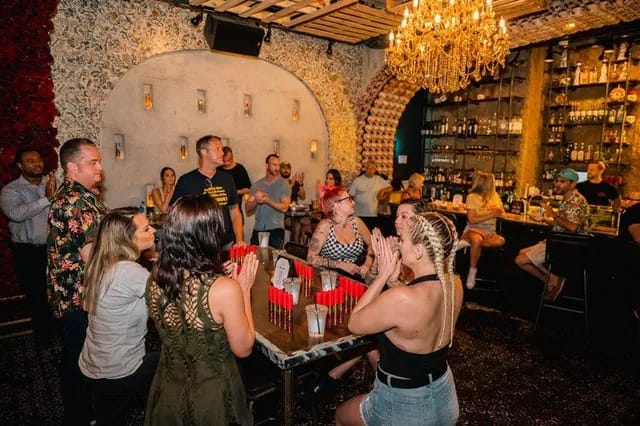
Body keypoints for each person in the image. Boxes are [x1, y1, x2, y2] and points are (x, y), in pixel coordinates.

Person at [335, 213, 463, 426]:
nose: (399, 244)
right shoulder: (454, 284)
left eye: (403, 240)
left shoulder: (402, 298)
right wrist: (394, 283)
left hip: (404, 403)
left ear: (419, 250)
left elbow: (354, 323)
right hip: (444, 394)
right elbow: (420, 309)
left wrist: (383, 275)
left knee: (341, 415)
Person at [145, 195, 257, 425]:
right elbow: (244, 348)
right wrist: (244, 289)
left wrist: (217, 275)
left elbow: (185, 301)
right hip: (212, 397)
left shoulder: (154, 279)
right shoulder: (225, 290)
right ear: (209, 235)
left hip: (168, 389)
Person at [79, 208, 158, 426]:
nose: (153, 230)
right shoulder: (130, 272)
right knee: (177, 359)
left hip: (94, 363)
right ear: (128, 239)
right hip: (120, 370)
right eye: (146, 228)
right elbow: (173, 299)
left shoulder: (99, 262)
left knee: (111, 417)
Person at [47, 138, 108, 426]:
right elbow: (91, 254)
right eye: (93, 162)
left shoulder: (83, 195)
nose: (100, 167)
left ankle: (83, 411)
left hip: (78, 291)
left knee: (81, 354)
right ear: (72, 167)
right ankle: (79, 416)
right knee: (78, 357)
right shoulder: (74, 201)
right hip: (77, 294)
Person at [300, 186, 377, 399]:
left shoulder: (356, 222)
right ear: (336, 205)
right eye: (348, 199)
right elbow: (310, 258)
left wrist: (367, 263)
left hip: (354, 285)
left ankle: (340, 376)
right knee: (360, 336)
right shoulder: (325, 226)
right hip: (329, 285)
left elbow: (373, 247)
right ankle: (378, 384)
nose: (353, 202)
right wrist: (340, 264)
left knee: (364, 332)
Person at [0, 147, 57, 346]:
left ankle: (60, 332)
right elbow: (15, 213)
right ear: (20, 165)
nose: (37, 163)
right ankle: (43, 340)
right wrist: (47, 199)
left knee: (57, 292)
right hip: (28, 252)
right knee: (36, 295)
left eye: (38, 159)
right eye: (30, 161)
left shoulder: (52, 183)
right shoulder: (11, 190)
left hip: (54, 249)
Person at [515, 168, 588, 302]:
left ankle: (553, 280)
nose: (557, 184)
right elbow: (561, 224)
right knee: (521, 253)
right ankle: (552, 281)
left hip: (567, 244)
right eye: (557, 181)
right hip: (557, 240)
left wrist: (552, 214)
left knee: (520, 260)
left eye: (562, 182)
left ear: (572, 184)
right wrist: (543, 219)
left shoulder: (576, 201)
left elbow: (572, 227)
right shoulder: (566, 199)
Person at [170, 135, 244, 247]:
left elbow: (235, 213)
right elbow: (174, 214)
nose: (222, 153)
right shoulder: (186, 181)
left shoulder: (227, 178)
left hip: (226, 244)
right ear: (204, 152)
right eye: (217, 149)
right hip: (197, 246)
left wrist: (239, 240)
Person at [460, 172, 506, 290]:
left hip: (490, 231)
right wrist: (491, 213)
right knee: (476, 239)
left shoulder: (495, 196)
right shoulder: (472, 197)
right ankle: (472, 271)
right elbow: (471, 219)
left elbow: (502, 213)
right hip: (473, 228)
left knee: (500, 240)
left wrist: (496, 212)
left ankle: (468, 244)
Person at [245, 154, 291, 249]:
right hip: (258, 229)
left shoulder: (284, 184)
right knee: (254, 256)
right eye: (274, 165)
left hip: (276, 229)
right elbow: (247, 208)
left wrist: (267, 201)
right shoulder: (257, 185)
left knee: (272, 258)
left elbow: (285, 207)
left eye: (278, 165)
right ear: (267, 166)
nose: (277, 168)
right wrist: (256, 200)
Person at [349, 160, 391, 231]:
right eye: (368, 168)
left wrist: (383, 190)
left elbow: (390, 188)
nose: (370, 170)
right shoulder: (358, 180)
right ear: (365, 169)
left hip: (372, 215)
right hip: (359, 215)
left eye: (372, 168)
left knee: (372, 235)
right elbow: (350, 196)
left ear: (375, 169)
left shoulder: (378, 179)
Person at [219, 146, 252, 217]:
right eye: (224, 161)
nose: (227, 163)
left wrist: (234, 192)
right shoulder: (217, 169)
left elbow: (248, 189)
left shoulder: (239, 169)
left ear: (232, 156)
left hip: (236, 210)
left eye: (229, 160)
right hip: (220, 212)